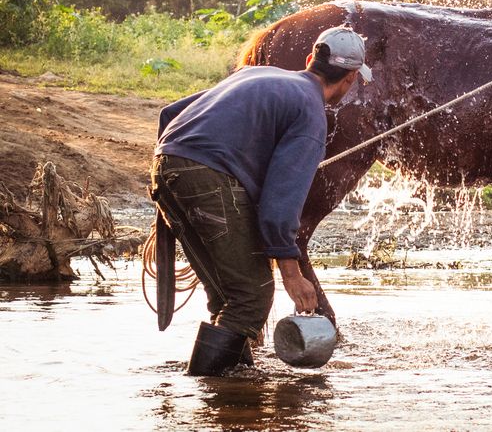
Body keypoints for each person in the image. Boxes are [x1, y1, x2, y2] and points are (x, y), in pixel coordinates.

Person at [149, 26, 372, 376]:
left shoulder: (256, 73)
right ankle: (208, 387)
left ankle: (223, 396)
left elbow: (169, 113)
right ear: (349, 79)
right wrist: (292, 275)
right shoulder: (311, 115)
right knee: (252, 299)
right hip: (207, 176)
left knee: (229, 298)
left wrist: (174, 180)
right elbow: (280, 204)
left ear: (311, 59)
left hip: (166, 165)